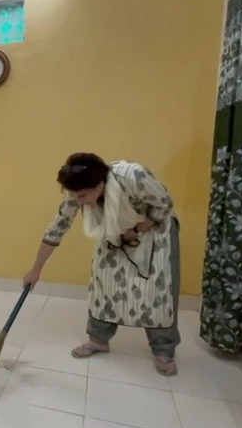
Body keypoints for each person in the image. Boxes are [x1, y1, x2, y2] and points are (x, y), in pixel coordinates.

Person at [23, 152, 181, 376]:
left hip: (155, 230)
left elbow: (164, 203)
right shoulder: (78, 191)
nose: (78, 201)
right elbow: (58, 227)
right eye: (74, 196)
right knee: (103, 284)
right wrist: (35, 270)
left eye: (83, 196)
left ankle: (163, 350)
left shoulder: (133, 176)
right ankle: (98, 340)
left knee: (156, 292)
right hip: (113, 230)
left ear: (100, 184)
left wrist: (137, 229)